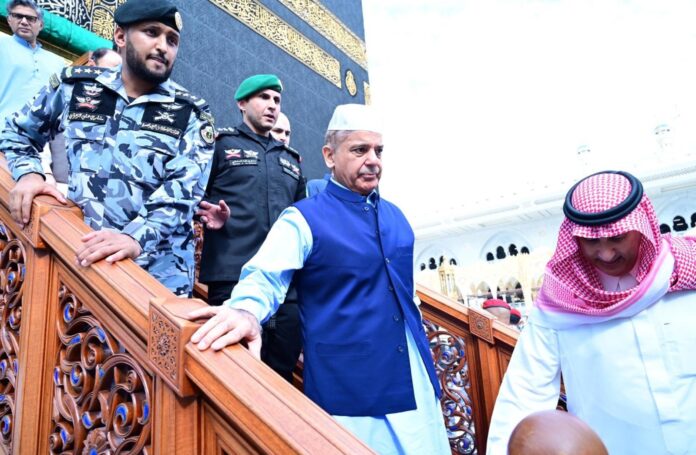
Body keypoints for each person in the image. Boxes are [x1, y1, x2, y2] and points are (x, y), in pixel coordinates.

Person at [188, 104, 450, 454]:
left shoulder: (397, 218)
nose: (373, 160)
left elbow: (407, 294)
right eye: (359, 150)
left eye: (379, 151)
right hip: (349, 387)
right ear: (329, 156)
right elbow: (266, 276)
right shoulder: (303, 218)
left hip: (414, 378)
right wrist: (246, 310)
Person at [0, 0, 216, 297]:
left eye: (172, 40)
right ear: (120, 36)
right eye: (151, 32)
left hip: (155, 277)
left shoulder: (190, 114)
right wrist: (28, 174)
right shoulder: (77, 87)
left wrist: (134, 237)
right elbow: (17, 131)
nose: (163, 47)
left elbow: (183, 192)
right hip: (81, 257)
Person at [487, 171, 696, 454]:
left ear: (641, 227)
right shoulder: (560, 302)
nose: (606, 254)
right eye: (592, 241)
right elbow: (526, 391)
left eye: (618, 237)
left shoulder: (686, 270)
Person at [198, 74, 305, 381]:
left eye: (277, 100)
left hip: (284, 289)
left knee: (280, 376)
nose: (272, 105)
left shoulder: (291, 161)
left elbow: (304, 223)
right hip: (231, 277)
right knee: (234, 374)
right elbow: (190, 195)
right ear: (242, 103)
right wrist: (207, 215)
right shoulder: (220, 146)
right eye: (264, 97)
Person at [42, 47, 123, 193]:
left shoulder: (122, 104)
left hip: (100, 195)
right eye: (109, 71)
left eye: (118, 72)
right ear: (91, 66)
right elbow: (35, 135)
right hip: (58, 188)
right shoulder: (68, 91)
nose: (113, 78)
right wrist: (45, 173)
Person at [0, 0, 65, 124]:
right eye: (18, 16)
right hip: (4, 128)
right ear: (9, 20)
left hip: (40, 133)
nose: (24, 22)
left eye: (31, 18)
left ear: (41, 25)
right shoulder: (2, 45)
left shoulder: (57, 62)